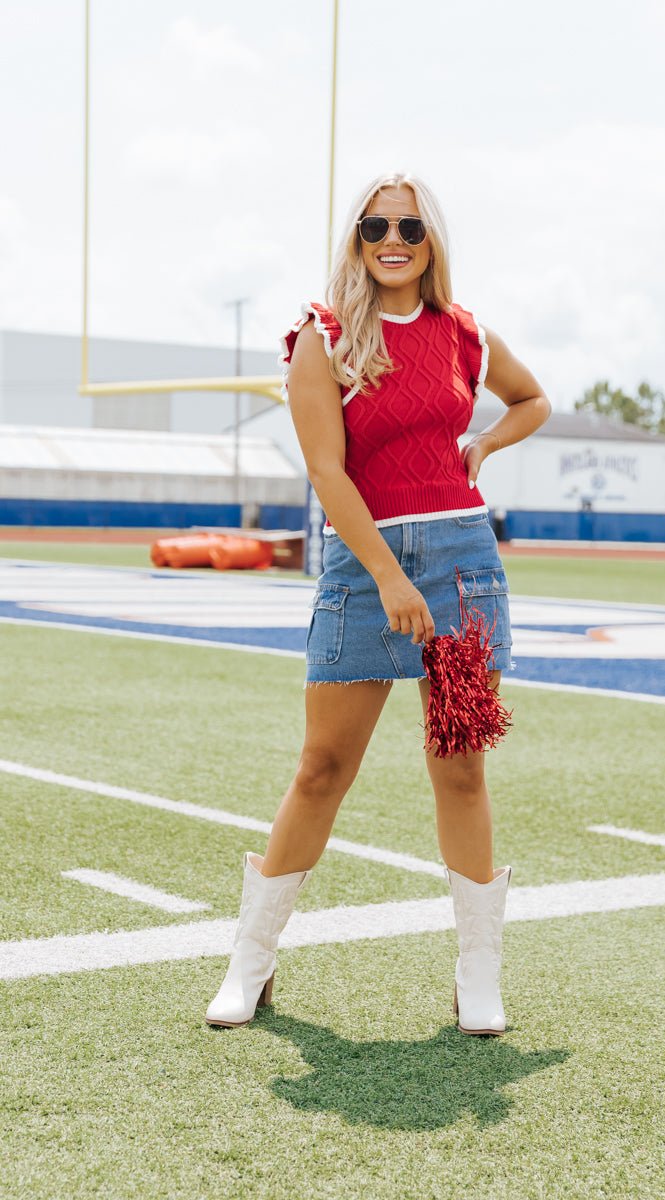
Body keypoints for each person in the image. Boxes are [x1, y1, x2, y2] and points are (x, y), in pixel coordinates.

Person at [205, 171, 551, 1036]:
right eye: (374, 226)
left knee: (461, 767)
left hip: (464, 564)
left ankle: (479, 974)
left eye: (409, 225)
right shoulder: (320, 335)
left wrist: (482, 442)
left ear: (432, 238)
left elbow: (532, 399)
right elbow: (327, 471)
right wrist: (390, 576)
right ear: (356, 239)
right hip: (366, 570)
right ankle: (251, 961)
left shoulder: (466, 333)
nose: (392, 239)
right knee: (322, 770)